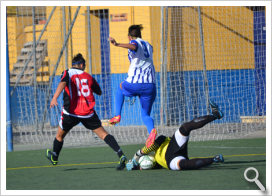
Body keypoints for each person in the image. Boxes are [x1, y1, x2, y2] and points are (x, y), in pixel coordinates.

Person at [46, 53, 127, 170]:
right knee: (104, 135)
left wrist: (54, 97)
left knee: (59, 136)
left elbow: (63, 82)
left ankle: (54, 157)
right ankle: (121, 155)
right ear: (82, 65)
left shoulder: (67, 72)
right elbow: (99, 92)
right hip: (88, 113)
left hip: (71, 113)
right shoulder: (89, 77)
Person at [126, 100, 225, 171]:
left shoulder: (161, 139)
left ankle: (215, 115)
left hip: (172, 146)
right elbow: (148, 166)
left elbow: (154, 145)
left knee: (185, 127)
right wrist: (137, 166)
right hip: (170, 160)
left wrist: (137, 155)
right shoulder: (156, 162)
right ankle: (214, 159)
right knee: (183, 164)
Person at [108, 24, 157, 148]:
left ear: (130, 36)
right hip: (150, 85)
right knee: (145, 115)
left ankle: (117, 115)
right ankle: (152, 132)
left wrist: (117, 44)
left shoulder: (134, 42)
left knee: (120, 86)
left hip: (135, 83)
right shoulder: (149, 45)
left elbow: (134, 46)